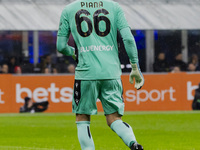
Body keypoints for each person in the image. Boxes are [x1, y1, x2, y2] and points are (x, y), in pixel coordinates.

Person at [57, 0, 144, 150]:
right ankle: (133, 143)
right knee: (114, 118)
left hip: (86, 72)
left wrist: (74, 52)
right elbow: (128, 38)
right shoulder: (114, 7)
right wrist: (135, 67)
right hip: (111, 72)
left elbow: (61, 46)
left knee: (82, 118)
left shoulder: (69, 9)